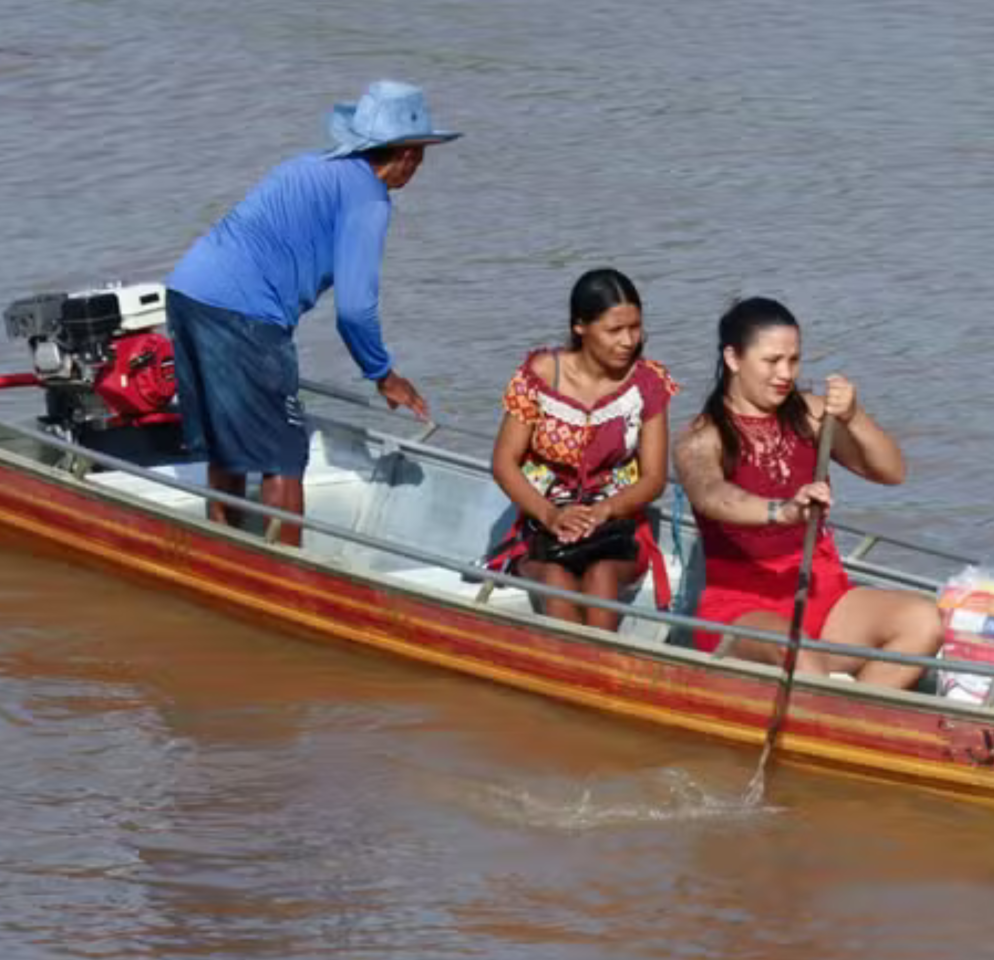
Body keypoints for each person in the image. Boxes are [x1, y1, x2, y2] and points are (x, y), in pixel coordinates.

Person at [165, 80, 459, 545]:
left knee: (227, 441)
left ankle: (221, 547)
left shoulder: (308, 165)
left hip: (187, 292)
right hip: (246, 314)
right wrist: (383, 374)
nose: (419, 167)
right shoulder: (369, 198)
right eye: (420, 154)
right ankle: (289, 575)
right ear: (406, 156)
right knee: (282, 455)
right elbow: (355, 311)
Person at [674, 297, 940, 688]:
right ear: (733, 358)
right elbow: (712, 496)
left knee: (924, 620)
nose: (785, 373)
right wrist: (782, 511)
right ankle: (838, 723)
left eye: (794, 360)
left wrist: (854, 416)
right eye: (772, 360)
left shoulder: (812, 414)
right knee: (800, 658)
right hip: (742, 607)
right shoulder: (701, 437)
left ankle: (852, 720)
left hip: (824, 592)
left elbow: (891, 472)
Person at [490, 268, 678, 632]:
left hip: (617, 524)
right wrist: (550, 516)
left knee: (602, 577)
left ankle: (593, 669)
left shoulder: (647, 383)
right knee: (557, 580)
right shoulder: (539, 375)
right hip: (542, 523)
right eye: (614, 330)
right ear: (580, 327)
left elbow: (654, 478)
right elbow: (503, 463)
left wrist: (602, 511)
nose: (628, 341)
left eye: (635, 328)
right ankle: (584, 670)